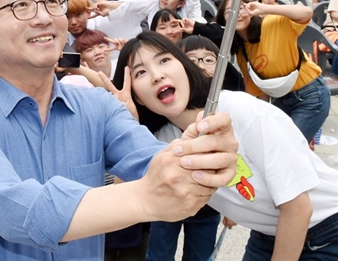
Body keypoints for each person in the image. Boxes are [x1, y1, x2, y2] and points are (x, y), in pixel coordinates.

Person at [0, 0, 238, 260]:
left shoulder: (99, 107)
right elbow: (18, 212)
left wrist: (199, 158)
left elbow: (154, 162)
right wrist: (147, 196)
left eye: (51, 2)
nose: (44, 17)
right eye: (21, 5)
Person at [111, 32, 338, 261]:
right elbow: (125, 197)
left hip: (328, 226)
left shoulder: (241, 110)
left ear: (185, 66)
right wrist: (128, 124)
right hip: (269, 234)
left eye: (164, 60)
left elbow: (299, 208)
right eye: (141, 72)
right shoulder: (164, 140)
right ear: (137, 96)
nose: (157, 76)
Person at [216, 0, 331, 142]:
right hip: (281, 98)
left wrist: (264, 8)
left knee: (290, 148)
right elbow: (257, 90)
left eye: (241, 8)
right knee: (275, 145)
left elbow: (306, 13)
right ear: (224, 20)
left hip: (311, 95)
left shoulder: (271, 23)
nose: (237, 13)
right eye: (229, 11)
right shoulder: (240, 48)